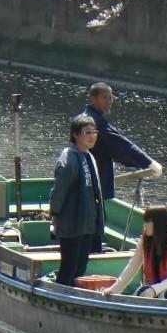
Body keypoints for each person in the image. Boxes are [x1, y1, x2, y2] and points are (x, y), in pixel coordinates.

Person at [78, 83, 164, 212]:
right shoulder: (95, 123)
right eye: (104, 98)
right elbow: (120, 146)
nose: (109, 102)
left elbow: (116, 144)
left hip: (82, 179)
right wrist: (148, 163)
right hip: (92, 183)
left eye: (110, 98)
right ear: (92, 99)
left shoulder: (80, 118)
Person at [49, 114, 106, 287]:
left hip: (87, 223)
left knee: (81, 266)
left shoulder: (88, 156)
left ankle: (72, 295)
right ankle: (59, 297)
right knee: (68, 266)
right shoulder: (69, 158)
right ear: (75, 134)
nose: (92, 136)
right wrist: (54, 218)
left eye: (94, 132)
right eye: (87, 132)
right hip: (72, 223)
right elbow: (59, 191)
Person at [109, 205, 167, 299]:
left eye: (148, 221)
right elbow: (132, 266)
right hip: (154, 287)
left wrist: (153, 290)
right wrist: (114, 290)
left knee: (165, 295)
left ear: (159, 223)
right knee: (141, 294)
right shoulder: (144, 241)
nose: (145, 225)